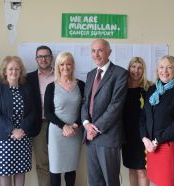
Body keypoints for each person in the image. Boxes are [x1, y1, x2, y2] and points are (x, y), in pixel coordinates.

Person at [81, 38, 128, 186]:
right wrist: (87, 124)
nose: (96, 54)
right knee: (94, 181)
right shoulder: (90, 74)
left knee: (111, 180)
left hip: (108, 136)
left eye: (100, 50)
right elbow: (85, 102)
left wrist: (96, 128)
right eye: (93, 51)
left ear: (109, 52)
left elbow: (116, 105)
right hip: (90, 136)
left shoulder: (120, 73)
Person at [140, 55, 174, 186]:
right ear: (157, 71)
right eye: (161, 67)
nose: (165, 71)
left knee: (167, 182)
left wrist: (157, 140)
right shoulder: (151, 90)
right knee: (155, 180)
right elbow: (144, 117)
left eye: (169, 67)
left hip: (168, 145)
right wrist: (145, 139)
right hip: (151, 145)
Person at [0, 56, 36, 186]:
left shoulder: (26, 88)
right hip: (3, 138)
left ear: (21, 71)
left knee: (20, 171)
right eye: (10, 69)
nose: (14, 72)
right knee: (5, 173)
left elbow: (32, 111)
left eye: (17, 69)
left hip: (23, 136)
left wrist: (21, 129)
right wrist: (12, 130)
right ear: (5, 71)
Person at [44, 51, 84, 186]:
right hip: (57, 133)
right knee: (55, 170)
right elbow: (48, 113)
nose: (65, 67)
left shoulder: (81, 85)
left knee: (71, 169)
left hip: (75, 132)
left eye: (68, 64)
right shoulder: (51, 87)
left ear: (73, 66)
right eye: (62, 64)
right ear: (58, 66)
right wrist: (64, 126)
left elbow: (85, 110)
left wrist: (75, 125)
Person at [26, 45, 54, 186]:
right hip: (39, 125)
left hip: (59, 125)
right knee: (43, 163)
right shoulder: (28, 78)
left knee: (58, 162)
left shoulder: (60, 75)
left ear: (52, 58)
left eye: (46, 56)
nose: (43, 59)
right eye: (40, 56)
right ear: (36, 59)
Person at [122, 57, 151, 186]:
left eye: (139, 68)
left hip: (143, 135)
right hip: (127, 135)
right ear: (129, 68)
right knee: (132, 169)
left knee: (142, 171)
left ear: (143, 70)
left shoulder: (149, 88)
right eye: (133, 67)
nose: (136, 70)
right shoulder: (122, 87)